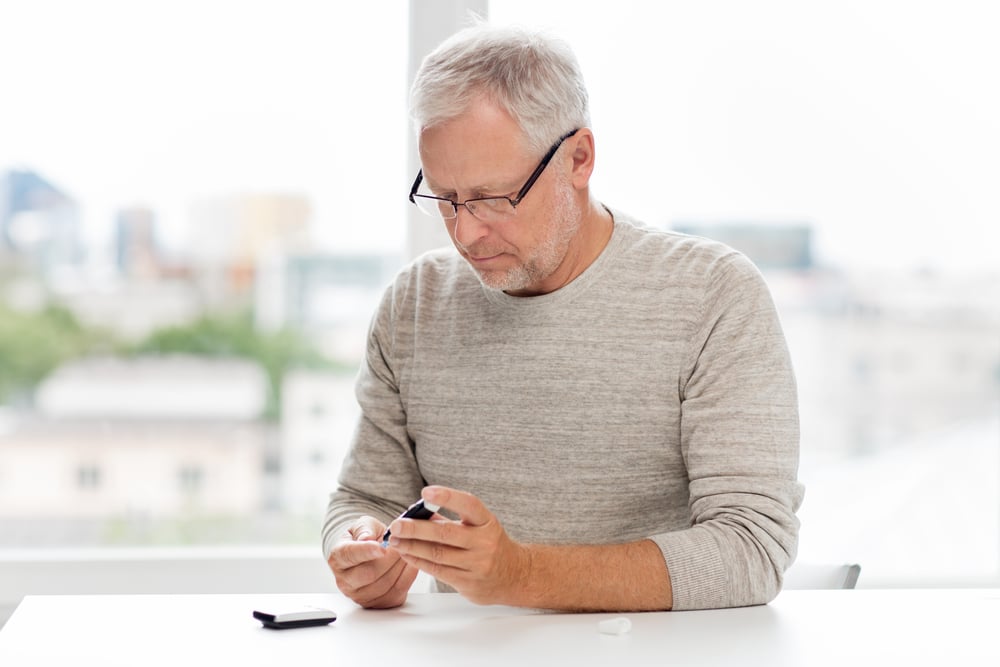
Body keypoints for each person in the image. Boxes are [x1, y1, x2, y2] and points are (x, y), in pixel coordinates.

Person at [323, 22, 804, 612]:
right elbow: (364, 497)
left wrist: (519, 574)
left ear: (579, 158)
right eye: (445, 198)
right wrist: (360, 547)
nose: (466, 232)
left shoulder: (712, 294)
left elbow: (751, 551)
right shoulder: (415, 303)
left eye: (493, 197)